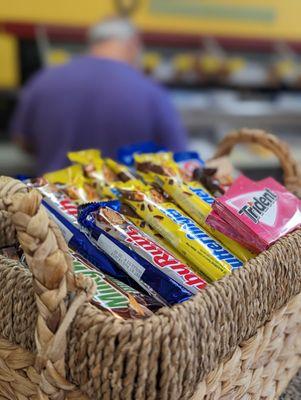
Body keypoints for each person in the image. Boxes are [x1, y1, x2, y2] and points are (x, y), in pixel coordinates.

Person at [10, 17, 187, 174]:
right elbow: (176, 156)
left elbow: (22, 140)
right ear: (133, 44)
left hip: (52, 203)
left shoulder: (44, 80)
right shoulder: (151, 92)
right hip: (122, 207)